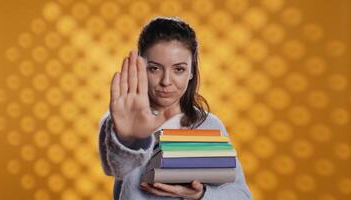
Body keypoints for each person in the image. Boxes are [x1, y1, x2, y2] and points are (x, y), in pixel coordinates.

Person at [98, 17, 252, 200]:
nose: (166, 81)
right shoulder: (123, 118)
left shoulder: (208, 124)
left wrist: (201, 194)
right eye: (154, 68)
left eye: (178, 69)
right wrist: (127, 140)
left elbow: (242, 195)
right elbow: (117, 168)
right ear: (140, 67)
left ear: (191, 71)